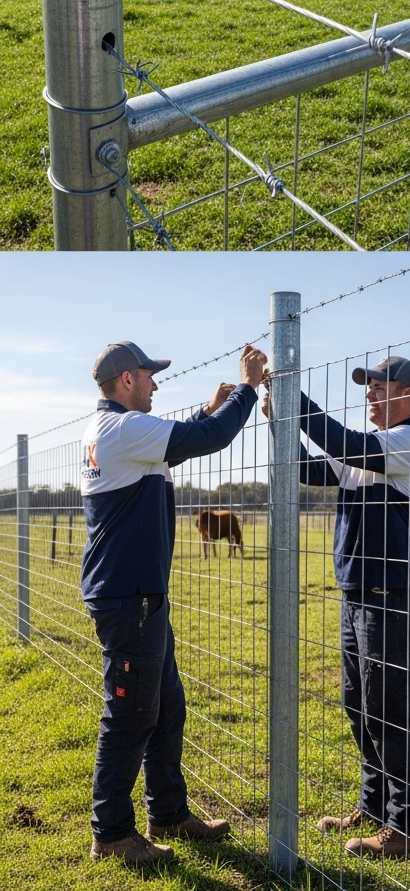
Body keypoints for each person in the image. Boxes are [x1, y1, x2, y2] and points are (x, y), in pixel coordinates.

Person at [81, 340, 267, 866]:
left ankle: (167, 813)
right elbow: (209, 439)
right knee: (131, 713)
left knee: (165, 706)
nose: (155, 383)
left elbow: (182, 439)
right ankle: (111, 834)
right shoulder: (123, 429)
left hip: (139, 596)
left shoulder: (115, 431)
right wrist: (248, 387)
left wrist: (208, 409)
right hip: (130, 597)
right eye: (149, 375)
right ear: (126, 381)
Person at [265, 356, 410, 858]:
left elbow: (341, 442)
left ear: (408, 394)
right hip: (357, 595)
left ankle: (409, 827)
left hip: (391, 599)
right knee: (359, 706)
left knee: (389, 712)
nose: (370, 394)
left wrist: (293, 396)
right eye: (369, 387)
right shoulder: (369, 452)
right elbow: (304, 467)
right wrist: (278, 419)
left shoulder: (408, 443)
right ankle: (374, 806)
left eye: (380, 387)